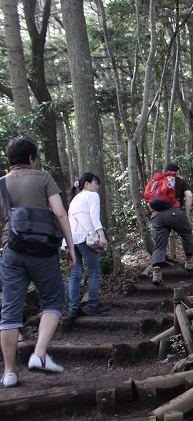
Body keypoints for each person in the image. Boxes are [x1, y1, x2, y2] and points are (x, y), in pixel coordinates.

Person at [0, 138, 76, 388]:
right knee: (53, 301)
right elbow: (60, 212)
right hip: (42, 252)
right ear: (32, 158)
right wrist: (70, 247)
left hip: (12, 250)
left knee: (10, 311)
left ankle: (10, 372)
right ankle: (39, 355)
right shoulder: (43, 178)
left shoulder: (1, 184)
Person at [147, 163, 193, 285]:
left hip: (157, 215)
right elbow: (189, 196)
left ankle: (156, 273)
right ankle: (189, 262)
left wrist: (154, 213)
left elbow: (149, 201)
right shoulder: (180, 181)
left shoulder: (155, 183)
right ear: (176, 172)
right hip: (175, 212)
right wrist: (186, 214)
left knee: (159, 243)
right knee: (186, 234)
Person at [67, 173, 109, 318]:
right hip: (84, 239)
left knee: (75, 274)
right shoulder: (92, 196)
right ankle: (93, 305)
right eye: (96, 183)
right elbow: (94, 217)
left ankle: (73, 308)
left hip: (70, 240)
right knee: (95, 271)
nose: (97, 187)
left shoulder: (74, 200)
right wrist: (101, 235)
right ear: (86, 184)